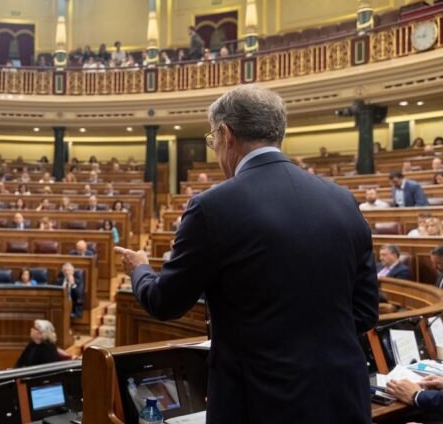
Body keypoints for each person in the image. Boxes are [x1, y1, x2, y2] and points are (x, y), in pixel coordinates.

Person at [114, 85, 378, 424]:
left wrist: (140, 269)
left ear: (226, 134)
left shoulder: (213, 207)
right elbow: (366, 311)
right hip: (343, 397)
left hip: (260, 402)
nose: (216, 150)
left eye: (213, 141)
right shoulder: (343, 200)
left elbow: (165, 302)